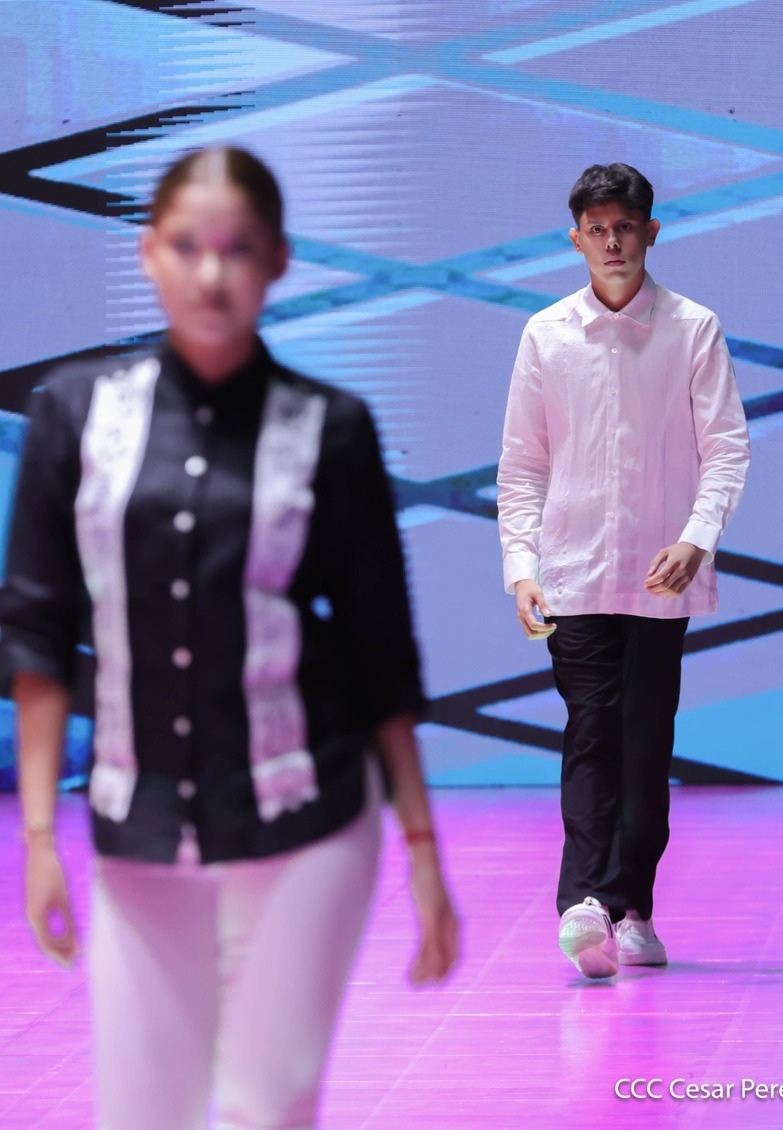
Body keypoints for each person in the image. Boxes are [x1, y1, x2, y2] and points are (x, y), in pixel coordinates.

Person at [0, 146, 459, 1129]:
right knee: (140, 1113)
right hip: (136, 823)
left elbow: (382, 654)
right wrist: (39, 837)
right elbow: (36, 630)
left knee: (265, 1108)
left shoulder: (331, 426)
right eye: (187, 246)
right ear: (147, 253)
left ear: (279, 260)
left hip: (308, 811)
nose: (212, 274)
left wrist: (422, 850)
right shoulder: (75, 415)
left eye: (239, 248)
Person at [497, 162, 749, 980]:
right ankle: (588, 904)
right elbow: (522, 465)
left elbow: (725, 449)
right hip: (571, 573)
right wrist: (520, 565)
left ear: (651, 232)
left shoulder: (692, 329)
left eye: (625, 227)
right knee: (589, 734)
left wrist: (696, 538)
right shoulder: (544, 334)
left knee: (643, 749)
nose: (612, 243)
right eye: (597, 230)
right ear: (575, 239)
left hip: (657, 578)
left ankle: (630, 908)